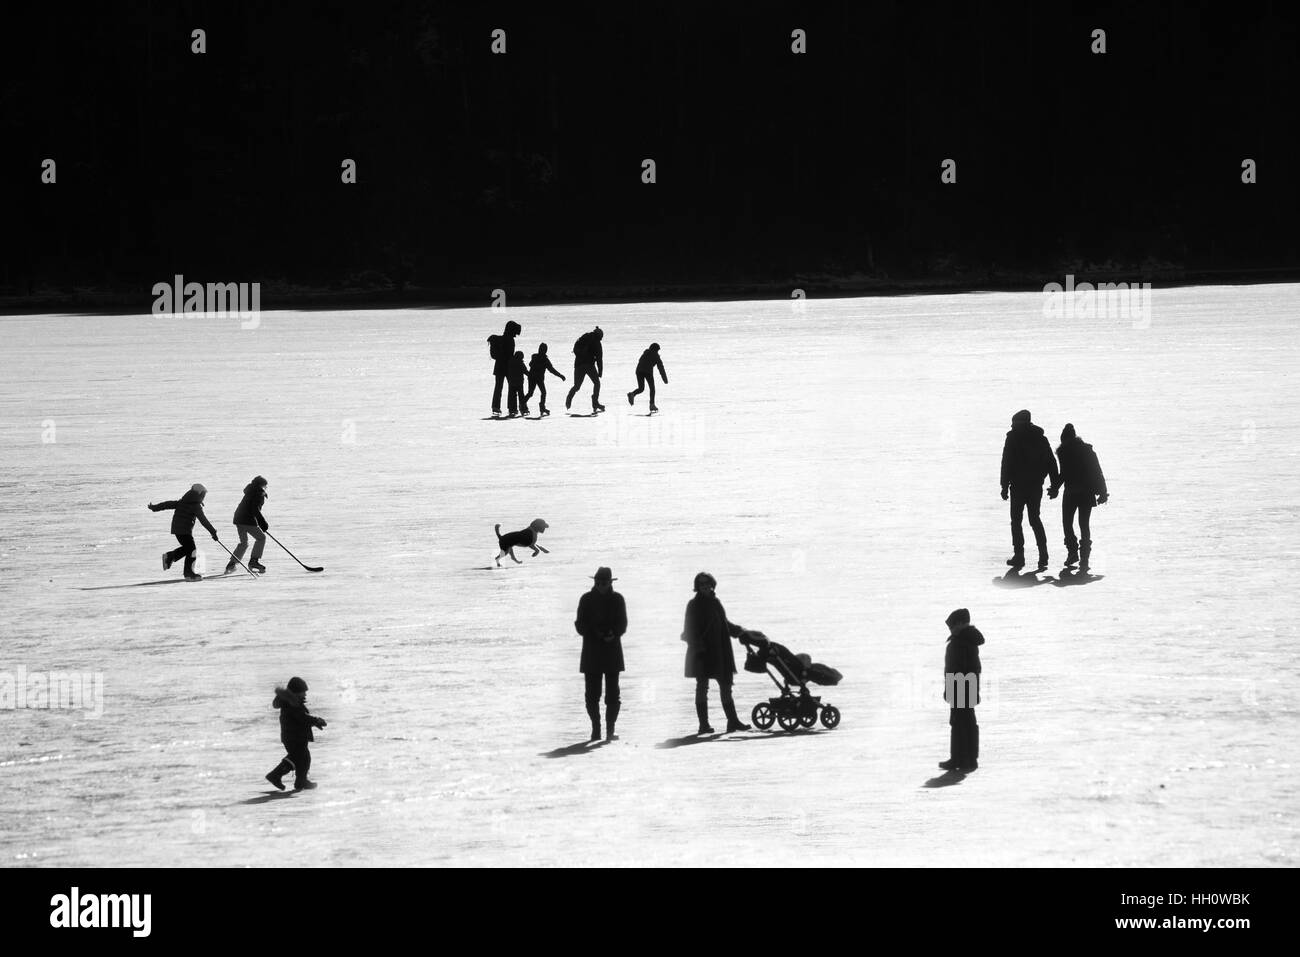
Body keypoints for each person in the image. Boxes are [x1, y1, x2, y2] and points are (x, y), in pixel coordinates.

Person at [681, 572, 751, 734]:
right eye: (701, 584)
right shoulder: (694, 605)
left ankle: (732, 721)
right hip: (703, 652)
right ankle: (703, 724)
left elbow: (723, 623)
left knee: (725, 685)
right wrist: (698, 646)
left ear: (712, 584)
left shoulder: (715, 602)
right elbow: (689, 629)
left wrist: (740, 632)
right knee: (702, 686)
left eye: (707, 583)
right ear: (697, 586)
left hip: (720, 650)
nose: (705, 586)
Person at [999, 409, 1061, 569]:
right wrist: (1054, 486)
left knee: (1017, 521)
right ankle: (1043, 555)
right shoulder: (1040, 438)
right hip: (1034, 486)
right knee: (1034, 519)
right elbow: (1051, 463)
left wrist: (1004, 486)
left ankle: (1019, 556)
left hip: (1019, 487)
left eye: (1014, 424)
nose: (1012, 427)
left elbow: (1006, 462)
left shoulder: (1012, 438)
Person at [574, 567, 628, 742]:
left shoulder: (618, 599)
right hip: (592, 652)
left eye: (604, 583)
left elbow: (623, 624)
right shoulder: (586, 599)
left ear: (610, 583)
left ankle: (610, 730)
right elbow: (580, 625)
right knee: (592, 695)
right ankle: (596, 729)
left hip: (612, 652)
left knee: (613, 695)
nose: (600, 586)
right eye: (598, 583)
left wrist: (613, 633)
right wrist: (595, 633)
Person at [1052, 423, 1109, 570]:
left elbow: (1063, 474)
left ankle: (1072, 553)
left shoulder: (1064, 452)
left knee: (1067, 523)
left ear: (1064, 439)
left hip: (1071, 493)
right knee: (1084, 524)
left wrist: (1054, 489)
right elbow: (1097, 472)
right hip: (1086, 492)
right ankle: (1084, 558)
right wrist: (1103, 492)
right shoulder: (1088, 451)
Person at [940, 608, 983, 772]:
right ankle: (963, 758)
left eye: (952, 626)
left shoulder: (962, 642)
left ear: (959, 624)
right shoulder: (964, 640)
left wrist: (952, 688)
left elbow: (958, 668)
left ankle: (964, 758)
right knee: (962, 722)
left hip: (962, 685)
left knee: (962, 722)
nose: (951, 630)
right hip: (965, 685)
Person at [266, 676, 327, 791]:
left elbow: (301, 718)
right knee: (297, 757)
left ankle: (301, 781)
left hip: (295, 736)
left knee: (304, 758)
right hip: (293, 737)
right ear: (295, 692)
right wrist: (316, 720)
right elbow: (302, 717)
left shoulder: (292, 702)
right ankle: (275, 775)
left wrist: (314, 723)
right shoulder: (291, 703)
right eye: (303, 692)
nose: (305, 694)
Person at [148, 484, 218, 581]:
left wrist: (155, 507)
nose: (203, 497)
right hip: (184, 531)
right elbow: (203, 520)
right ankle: (188, 573)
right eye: (203, 495)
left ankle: (170, 557)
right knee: (192, 550)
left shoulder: (183, 501)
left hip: (178, 530)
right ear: (199, 494)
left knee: (188, 549)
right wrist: (213, 532)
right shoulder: (195, 506)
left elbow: (167, 504)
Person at [226, 475, 269, 574]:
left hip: (238, 518)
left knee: (244, 543)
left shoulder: (250, 491)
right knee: (261, 538)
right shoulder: (259, 493)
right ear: (261, 485)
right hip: (247, 520)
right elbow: (255, 509)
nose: (265, 488)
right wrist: (262, 523)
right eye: (265, 486)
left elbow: (251, 508)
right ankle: (254, 561)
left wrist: (259, 522)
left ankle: (232, 563)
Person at [487, 319, 522, 416]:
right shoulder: (510, 340)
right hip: (508, 367)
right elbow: (509, 355)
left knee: (498, 387)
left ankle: (496, 407)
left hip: (499, 367)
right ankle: (512, 408)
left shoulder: (501, 339)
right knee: (512, 387)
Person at [565, 326, 605, 412]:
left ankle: (569, 398)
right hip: (589, 365)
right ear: (599, 336)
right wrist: (600, 370)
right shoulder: (597, 342)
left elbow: (576, 348)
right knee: (597, 383)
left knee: (577, 386)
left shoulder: (585, 336)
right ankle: (595, 402)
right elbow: (599, 358)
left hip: (579, 364)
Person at [525, 342, 565, 417]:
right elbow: (551, 369)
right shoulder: (541, 358)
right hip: (534, 378)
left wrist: (560, 375)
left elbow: (551, 369)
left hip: (535, 378)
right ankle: (523, 404)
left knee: (540, 392)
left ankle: (541, 407)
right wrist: (560, 376)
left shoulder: (536, 357)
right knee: (534, 393)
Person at [626, 343, 668, 411]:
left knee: (641, 388)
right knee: (652, 389)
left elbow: (640, 361)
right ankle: (652, 405)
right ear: (656, 350)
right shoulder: (655, 355)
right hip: (648, 371)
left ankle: (632, 394)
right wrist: (665, 379)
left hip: (639, 371)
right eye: (657, 350)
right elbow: (661, 367)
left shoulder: (645, 353)